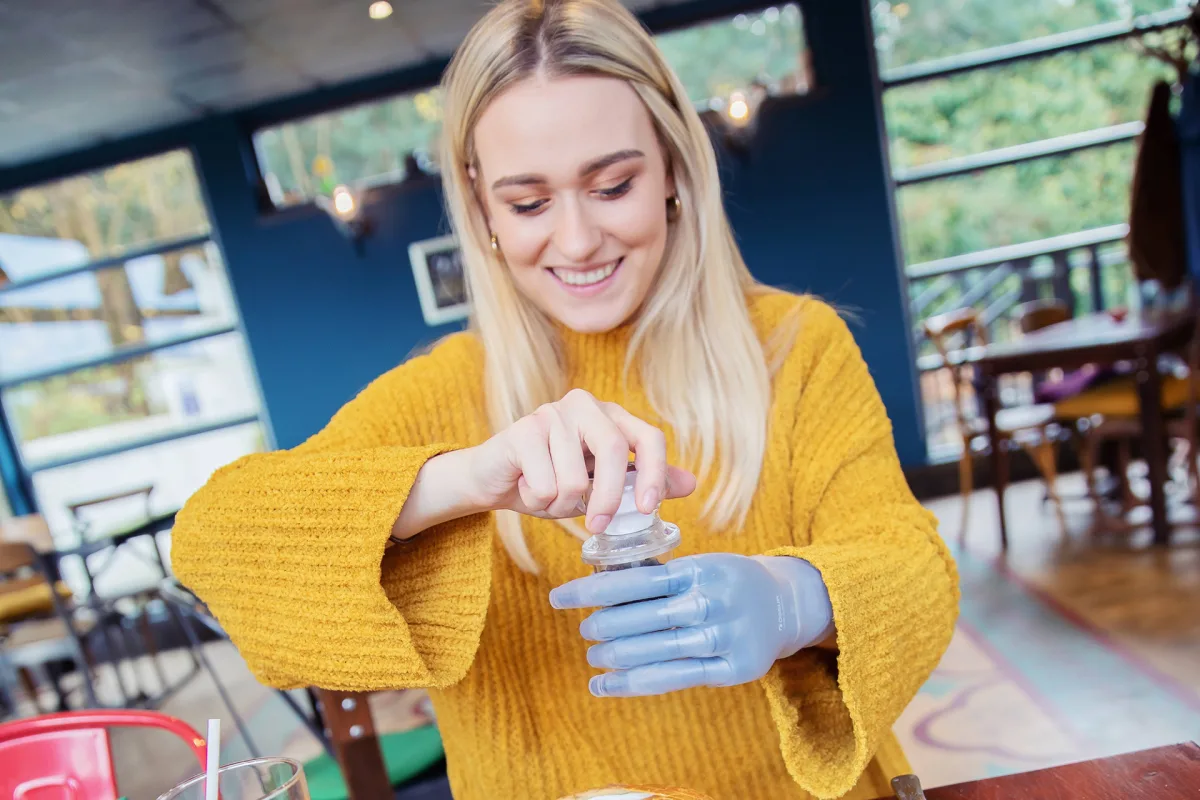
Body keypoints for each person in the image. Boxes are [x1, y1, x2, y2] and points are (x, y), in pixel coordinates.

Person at [170, 0, 959, 796]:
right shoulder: (437, 394)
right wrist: (461, 480)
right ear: (480, 206)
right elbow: (212, 550)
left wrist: (799, 598)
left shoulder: (795, 346)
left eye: (613, 184)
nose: (578, 240)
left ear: (674, 170)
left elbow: (914, 568)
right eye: (529, 203)